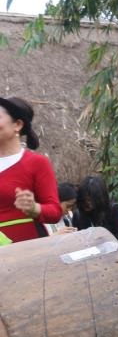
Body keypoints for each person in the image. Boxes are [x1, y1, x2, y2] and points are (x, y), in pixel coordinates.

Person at [0, 96, 62, 245]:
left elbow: (55, 212)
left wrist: (34, 208)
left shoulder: (37, 163)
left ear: (17, 125)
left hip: (27, 247)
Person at [73, 174, 118, 257]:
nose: (88, 204)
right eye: (85, 200)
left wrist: (102, 241)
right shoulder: (78, 215)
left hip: (115, 257)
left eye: (91, 200)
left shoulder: (114, 210)